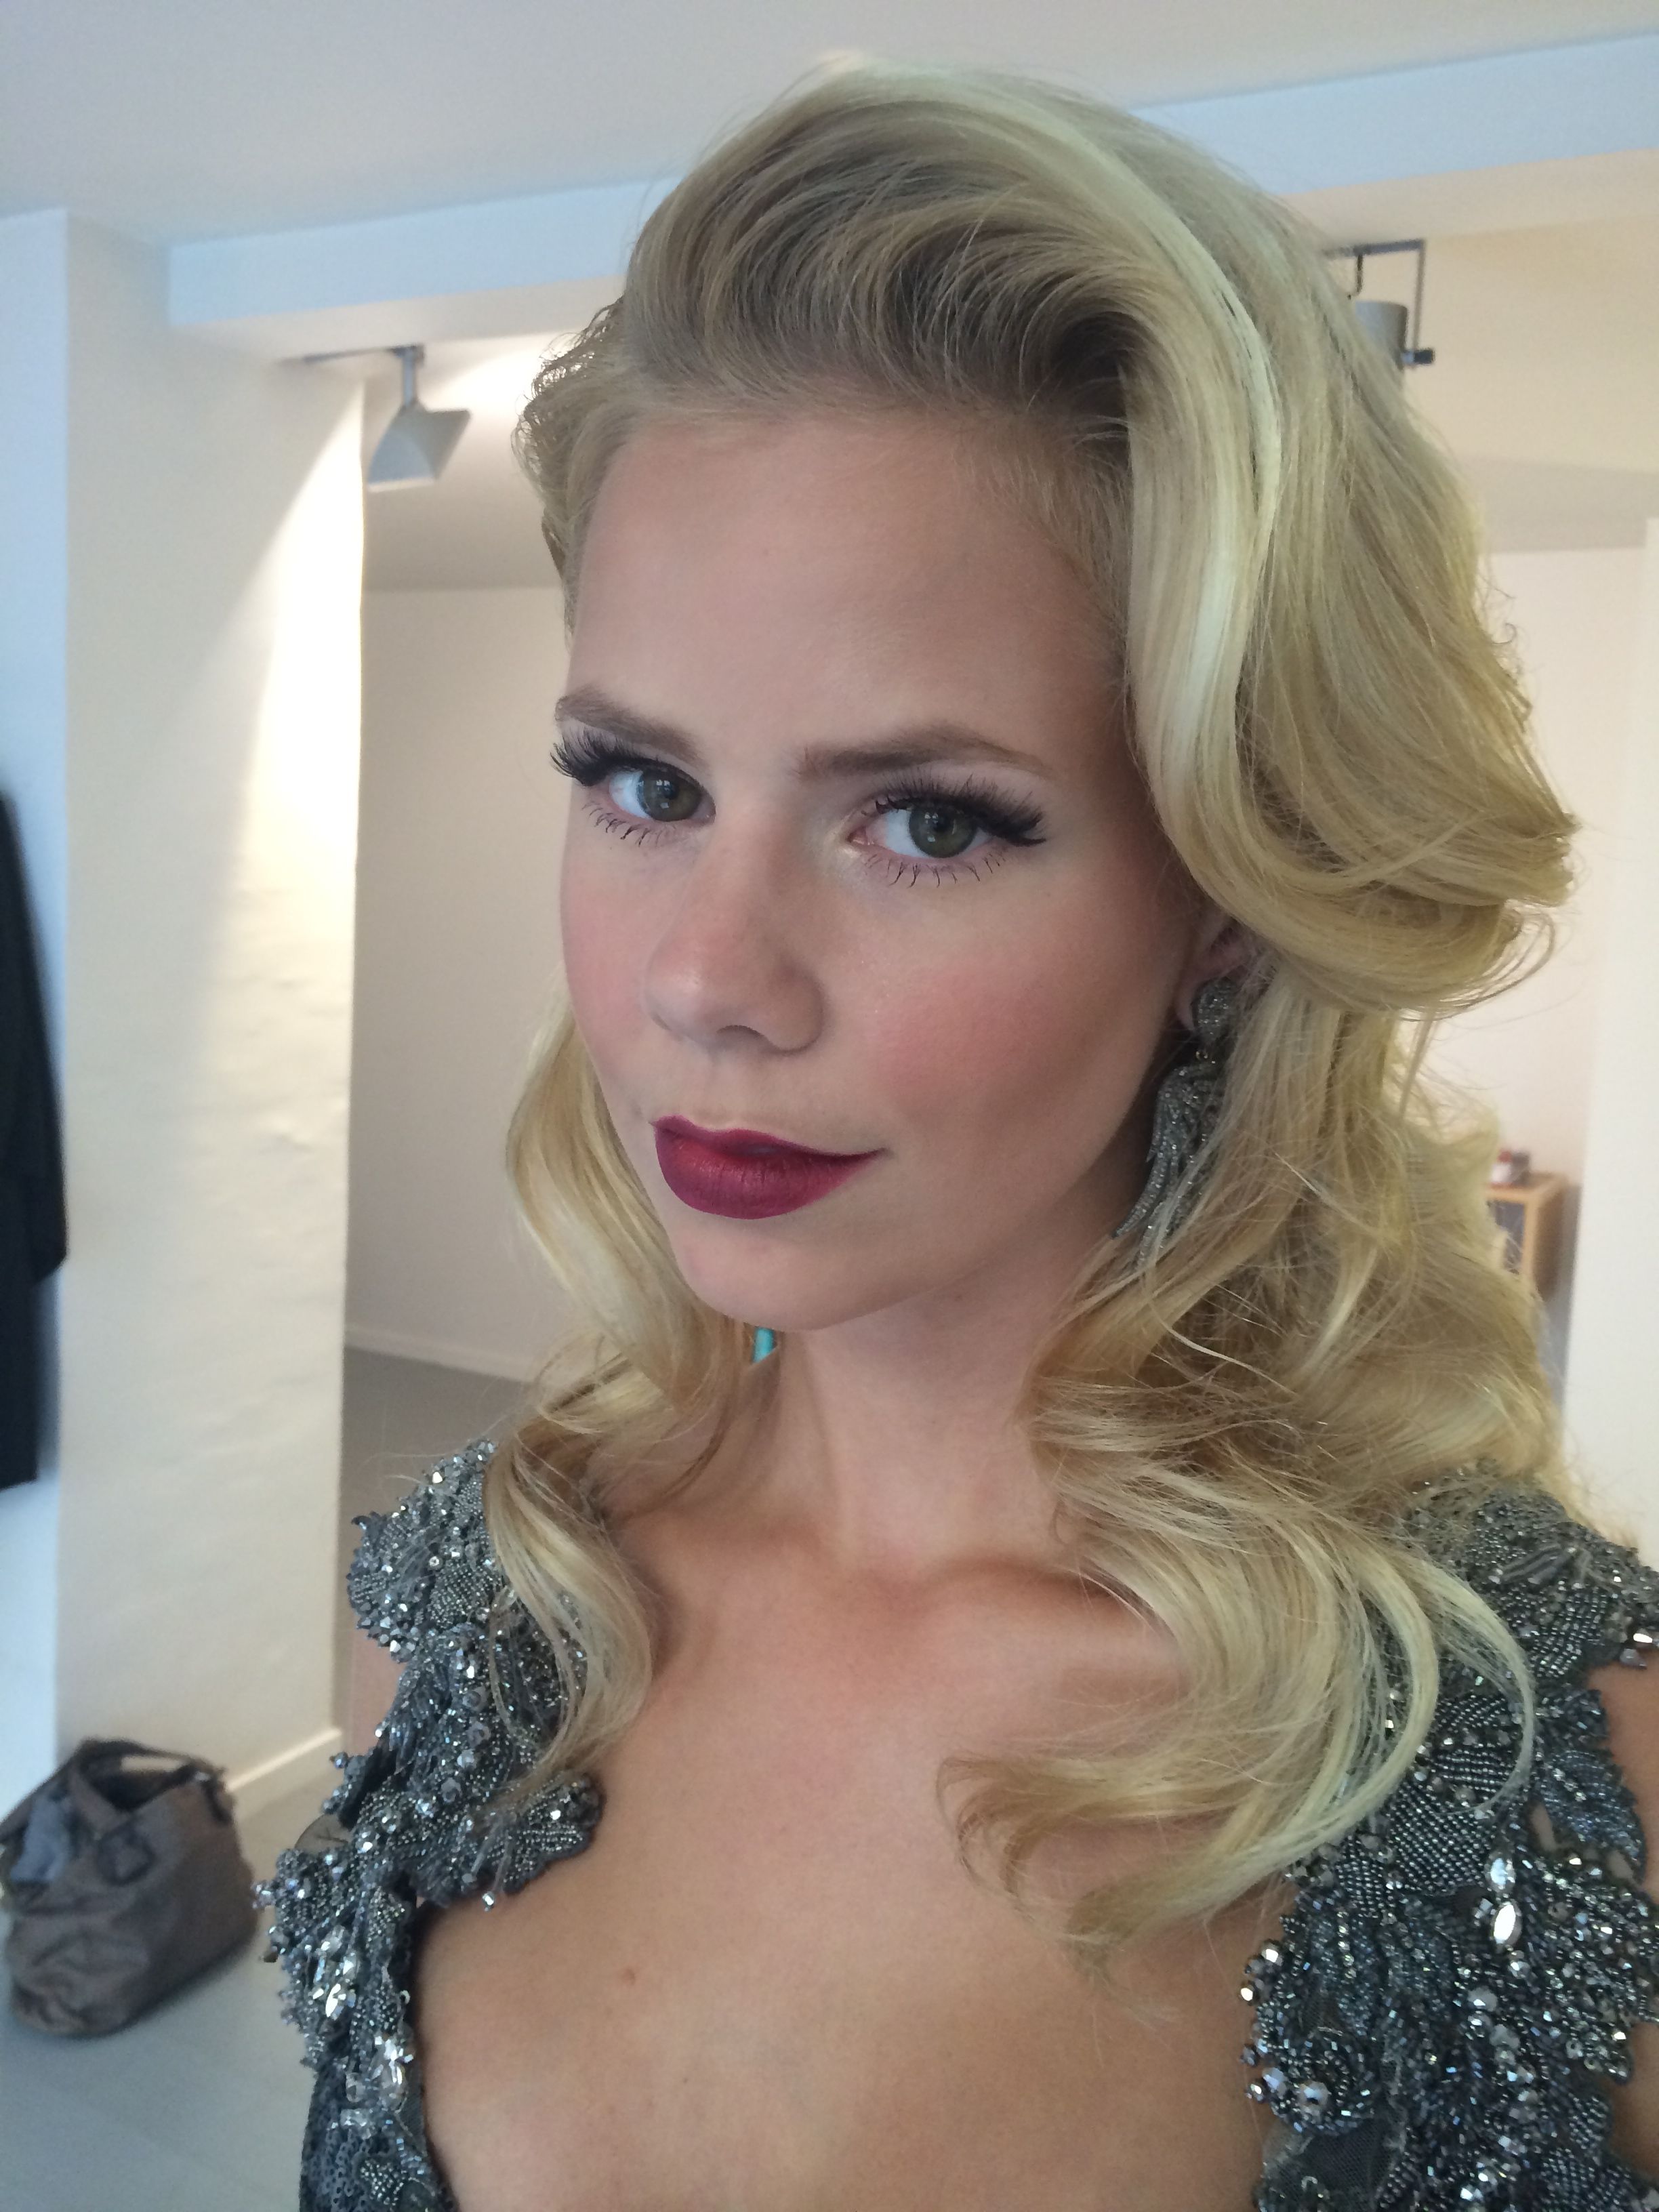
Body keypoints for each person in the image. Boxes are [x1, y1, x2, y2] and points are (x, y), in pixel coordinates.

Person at [264, 58, 1659, 2212]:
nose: (708, 978)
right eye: (645, 784)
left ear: (1230, 896)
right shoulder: (467, 1626)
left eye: (928, 821)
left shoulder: (1573, 1798)